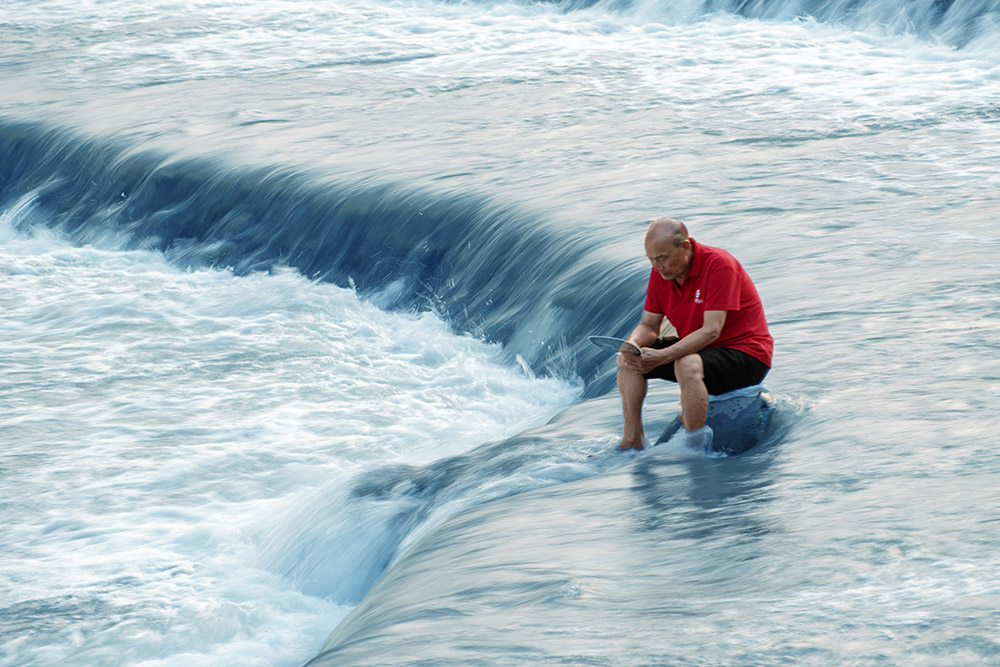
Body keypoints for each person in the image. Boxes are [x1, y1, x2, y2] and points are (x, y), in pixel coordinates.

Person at [616, 218, 772, 450]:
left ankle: (695, 443)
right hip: (702, 351)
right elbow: (649, 325)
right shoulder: (661, 273)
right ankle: (633, 437)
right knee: (627, 361)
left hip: (747, 355)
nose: (658, 266)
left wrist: (664, 355)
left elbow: (712, 330)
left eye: (662, 258)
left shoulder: (719, 265)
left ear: (685, 247)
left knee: (686, 362)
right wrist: (632, 344)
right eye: (651, 259)